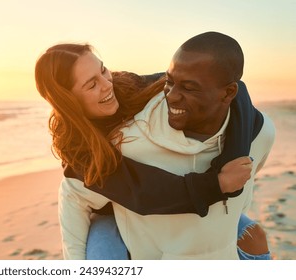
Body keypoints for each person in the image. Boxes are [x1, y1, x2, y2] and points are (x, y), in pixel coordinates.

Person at [34, 32, 274, 259]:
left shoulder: (128, 86)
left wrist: (232, 157)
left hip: (174, 211)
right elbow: (142, 191)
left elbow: (233, 87)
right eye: (91, 85)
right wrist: (218, 183)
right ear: (68, 100)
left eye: (103, 70)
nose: (107, 84)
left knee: (254, 237)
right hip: (109, 213)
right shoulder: (79, 149)